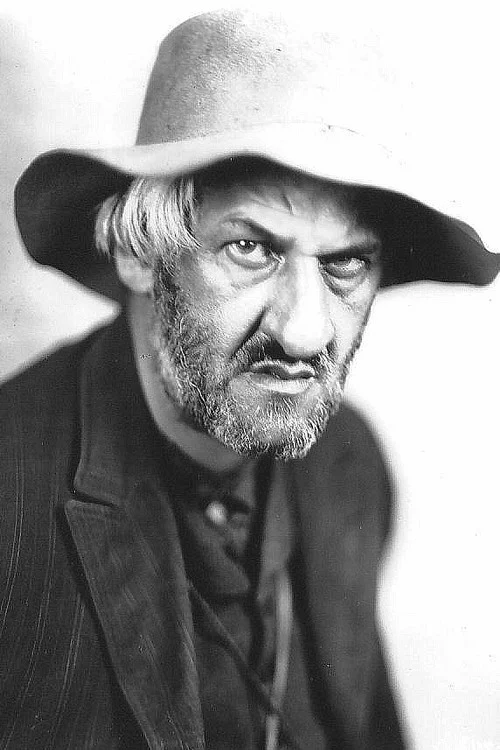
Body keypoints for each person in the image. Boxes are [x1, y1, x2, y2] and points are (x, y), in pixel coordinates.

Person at [1, 9, 498, 750]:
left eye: (346, 263)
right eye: (250, 248)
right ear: (139, 252)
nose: (303, 331)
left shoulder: (349, 463)